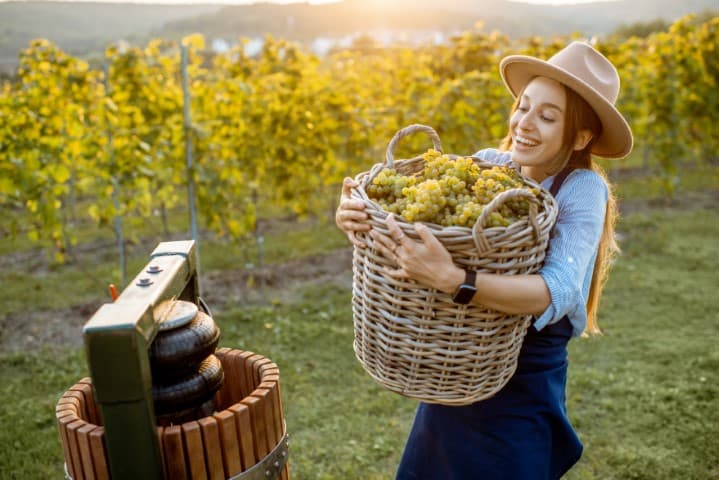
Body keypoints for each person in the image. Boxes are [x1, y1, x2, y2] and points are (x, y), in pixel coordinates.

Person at [335, 41, 633, 479]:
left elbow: (558, 289)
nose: (524, 125)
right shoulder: (490, 165)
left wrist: (457, 281)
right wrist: (359, 217)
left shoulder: (581, 188)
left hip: (521, 390)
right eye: (523, 107)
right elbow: (416, 220)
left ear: (581, 136)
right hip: (455, 368)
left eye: (547, 117)